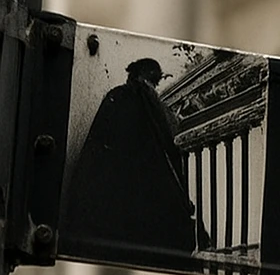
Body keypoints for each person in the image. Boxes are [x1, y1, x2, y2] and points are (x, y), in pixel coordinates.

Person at [62, 58, 202, 264]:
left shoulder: (122, 98)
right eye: (152, 80)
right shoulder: (134, 101)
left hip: (122, 200)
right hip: (128, 196)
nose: (153, 86)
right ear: (140, 76)